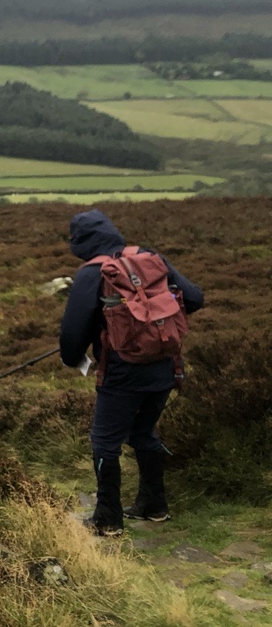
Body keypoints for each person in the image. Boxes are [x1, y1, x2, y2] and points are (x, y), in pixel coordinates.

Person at [59, 209, 204, 536]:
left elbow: (71, 338)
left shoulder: (91, 273)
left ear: (80, 243)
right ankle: (154, 506)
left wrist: (77, 355)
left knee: (104, 442)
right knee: (142, 433)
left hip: (121, 374)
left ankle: (107, 519)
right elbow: (194, 298)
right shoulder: (149, 257)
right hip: (166, 367)